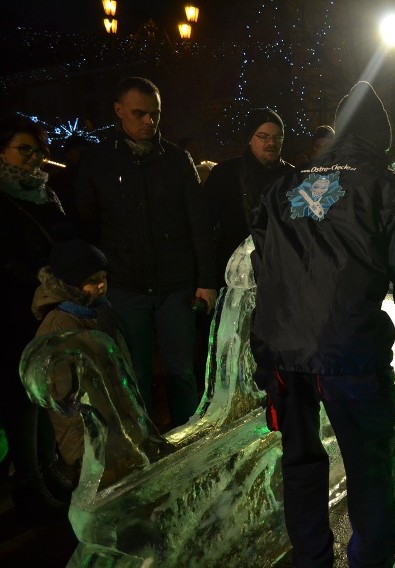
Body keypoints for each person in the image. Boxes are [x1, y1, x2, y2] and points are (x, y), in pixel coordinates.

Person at [250, 81, 395, 567]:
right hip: (351, 352)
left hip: (283, 353)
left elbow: (266, 270)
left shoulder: (283, 187)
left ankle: (311, 559)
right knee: (368, 468)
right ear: (381, 138)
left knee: (300, 465)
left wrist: (265, 349)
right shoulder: (388, 190)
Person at [75, 77, 217, 430]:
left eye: (154, 114)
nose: (148, 122)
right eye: (139, 114)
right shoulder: (100, 161)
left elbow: (197, 223)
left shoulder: (175, 159)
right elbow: (85, 223)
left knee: (180, 370)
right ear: (119, 111)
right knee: (134, 373)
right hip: (126, 284)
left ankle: (184, 439)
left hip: (175, 283)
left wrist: (206, 280)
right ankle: (144, 442)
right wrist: (94, 275)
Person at [0, 114, 71, 519]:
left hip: (47, 307)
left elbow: (64, 236)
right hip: (12, 311)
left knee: (44, 390)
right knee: (21, 398)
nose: (34, 159)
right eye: (24, 149)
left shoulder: (46, 194)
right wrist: (37, 276)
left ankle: (47, 469)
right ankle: (28, 481)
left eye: (38, 151)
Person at [31, 237, 127, 489]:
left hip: (115, 435)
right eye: (92, 281)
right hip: (89, 451)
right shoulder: (58, 331)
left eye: (104, 278)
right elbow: (63, 405)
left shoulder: (101, 312)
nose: (102, 286)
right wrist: (79, 457)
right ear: (71, 284)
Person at [206, 108, 295, 288]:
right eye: (263, 136)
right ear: (250, 138)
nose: (271, 142)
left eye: (278, 137)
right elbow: (204, 226)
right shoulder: (226, 174)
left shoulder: (292, 177)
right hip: (230, 273)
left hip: (278, 273)